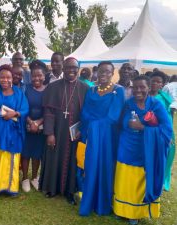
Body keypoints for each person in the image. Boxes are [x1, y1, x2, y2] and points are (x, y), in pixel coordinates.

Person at [113, 76, 172, 225]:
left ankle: (135, 213)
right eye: (135, 87)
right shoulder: (128, 104)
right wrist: (129, 124)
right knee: (124, 180)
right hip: (126, 147)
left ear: (148, 87)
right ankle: (121, 209)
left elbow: (167, 130)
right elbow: (121, 123)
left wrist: (143, 128)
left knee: (140, 182)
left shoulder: (156, 105)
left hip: (146, 150)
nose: (138, 90)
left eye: (142, 87)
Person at [78, 61, 125, 216]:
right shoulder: (91, 90)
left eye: (108, 71)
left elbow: (114, 116)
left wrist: (94, 126)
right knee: (90, 165)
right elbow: (85, 112)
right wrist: (87, 131)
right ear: (96, 72)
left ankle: (103, 203)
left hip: (107, 137)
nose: (104, 74)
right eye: (101, 71)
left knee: (105, 166)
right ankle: (89, 199)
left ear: (113, 73)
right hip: (91, 135)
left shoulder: (118, 91)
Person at [40, 57, 89, 204]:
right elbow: (48, 111)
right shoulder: (53, 87)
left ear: (78, 69)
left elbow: (88, 113)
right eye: (68, 67)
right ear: (63, 68)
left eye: (74, 67)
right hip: (57, 130)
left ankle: (69, 191)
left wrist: (82, 129)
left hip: (75, 133)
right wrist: (49, 133)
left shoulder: (85, 88)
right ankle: (51, 188)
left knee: (72, 160)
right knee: (53, 158)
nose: (71, 70)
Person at [0, 64, 29, 196]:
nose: (5, 80)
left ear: (12, 78)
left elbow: (25, 109)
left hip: (13, 132)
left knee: (11, 158)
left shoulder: (18, 93)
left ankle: (10, 187)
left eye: (8, 77)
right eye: (2, 77)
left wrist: (15, 114)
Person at [21, 60, 47, 192]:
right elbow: (23, 108)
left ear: (44, 76)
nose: (36, 78)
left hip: (41, 128)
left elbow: (48, 111)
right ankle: (25, 178)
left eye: (39, 75)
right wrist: (31, 123)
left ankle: (35, 178)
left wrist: (38, 123)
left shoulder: (48, 90)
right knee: (26, 154)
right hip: (27, 125)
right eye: (34, 76)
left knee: (37, 154)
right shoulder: (26, 88)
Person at [150, 71, 175, 191]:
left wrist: (167, 135)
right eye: (153, 80)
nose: (154, 83)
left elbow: (168, 118)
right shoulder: (143, 94)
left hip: (161, 131)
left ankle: (159, 181)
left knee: (160, 157)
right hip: (148, 131)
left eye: (158, 82)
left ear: (162, 84)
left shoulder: (163, 99)